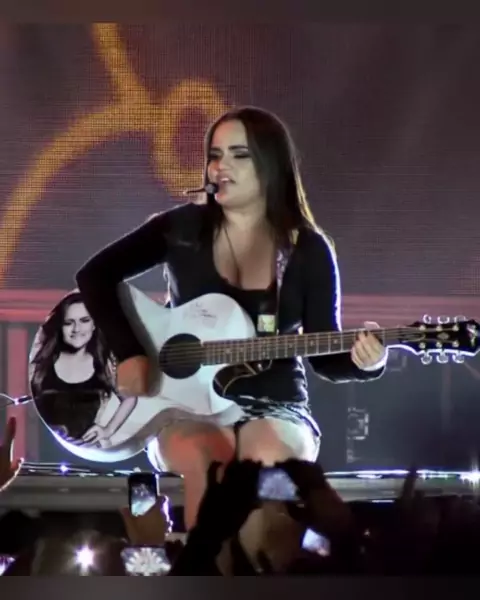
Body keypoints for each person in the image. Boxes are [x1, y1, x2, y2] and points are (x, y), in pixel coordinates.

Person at [76, 106, 387, 530]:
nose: (220, 166)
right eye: (215, 155)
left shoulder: (308, 249)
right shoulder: (180, 228)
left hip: (277, 405)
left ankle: (256, 561)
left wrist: (366, 362)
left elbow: (324, 355)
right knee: (204, 455)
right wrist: (130, 353)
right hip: (184, 407)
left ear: (271, 165)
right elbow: (94, 276)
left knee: (264, 458)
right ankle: (207, 565)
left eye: (239, 155)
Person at [30, 291, 137, 448]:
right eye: (69, 322)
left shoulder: (103, 364)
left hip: (85, 451)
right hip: (42, 450)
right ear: (60, 326)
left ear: (94, 324)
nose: (77, 329)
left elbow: (130, 398)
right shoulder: (42, 364)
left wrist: (108, 430)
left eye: (84, 320)